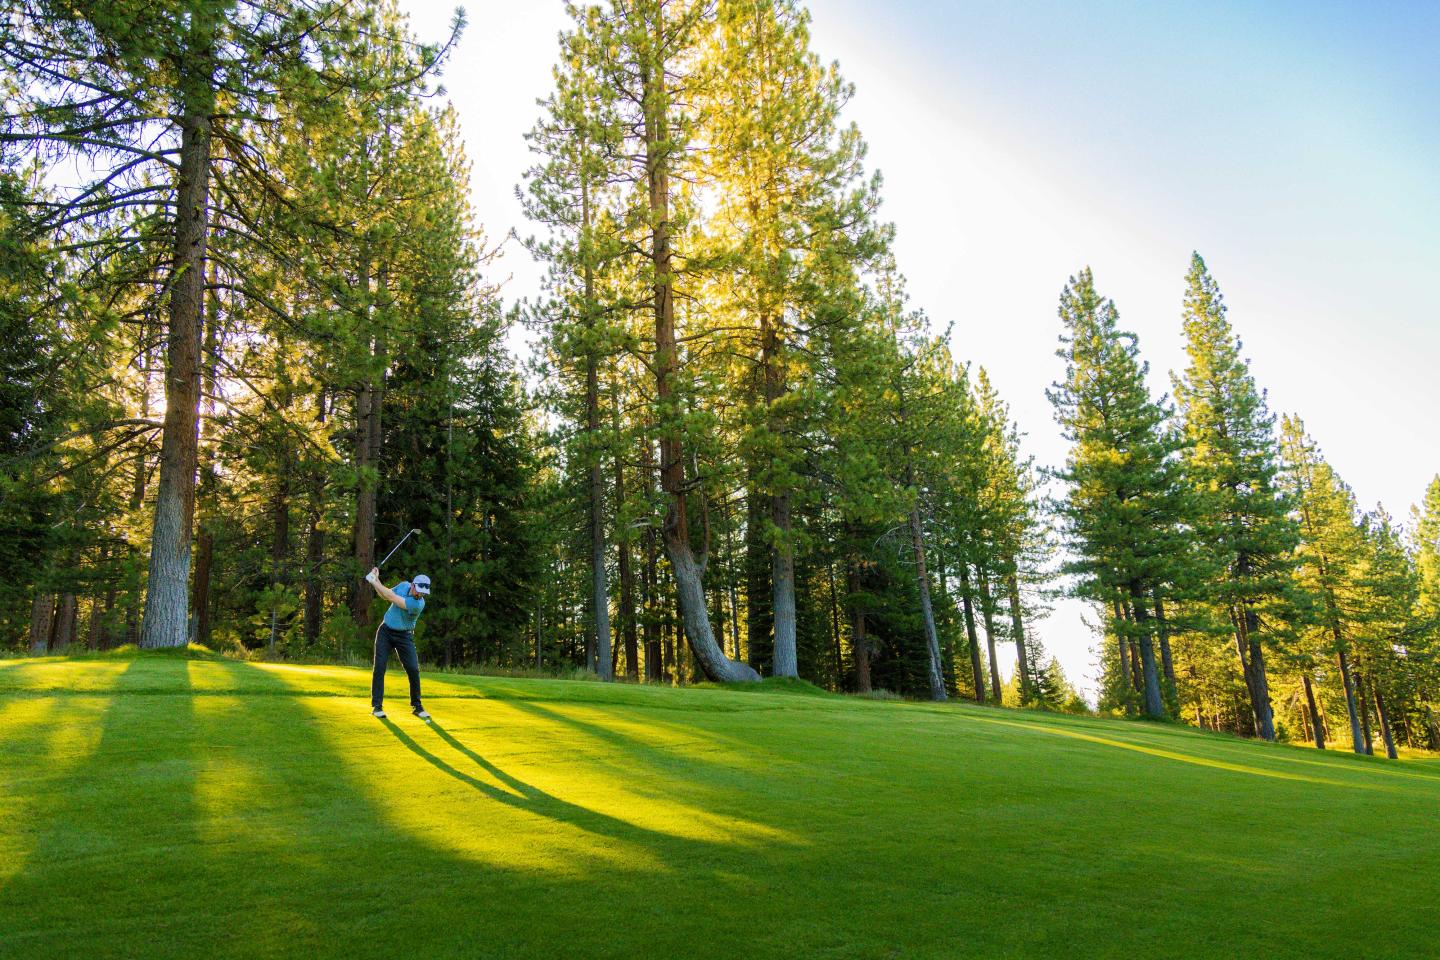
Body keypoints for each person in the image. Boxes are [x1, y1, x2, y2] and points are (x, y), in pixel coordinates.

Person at [365, 567, 432, 721]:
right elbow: (385, 595)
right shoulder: (403, 586)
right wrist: (376, 578)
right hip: (385, 631)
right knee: (379, 667)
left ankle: (417, 706)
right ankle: (377, 707)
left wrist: (374, 581)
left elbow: (393, 598)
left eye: (423, 593)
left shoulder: (418, 604)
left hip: (404, 636)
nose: (420, 594)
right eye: (419, 590)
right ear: (413, 585)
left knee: (413, 669)